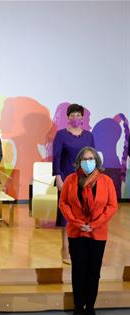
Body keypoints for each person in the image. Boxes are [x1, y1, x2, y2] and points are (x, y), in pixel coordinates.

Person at [59, 146, 117, 315]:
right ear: (79, 162)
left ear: (97, 162)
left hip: (97, 233)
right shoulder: (70, 180)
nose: (88, 162)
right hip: (76, 233)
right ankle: (78, 306)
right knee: (78, 270)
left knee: (93, 271)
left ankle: (90, 306)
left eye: (91, 159)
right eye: (84, 159)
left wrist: (94, 224)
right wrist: (77, 223)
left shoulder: (106, 181)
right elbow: (64, 204)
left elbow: (112, 206)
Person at [52, 103, 95, 264]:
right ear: (68, 117)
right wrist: (58, 177)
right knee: (66, 214)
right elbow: (56, 156)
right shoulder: (61, 134)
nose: (75, 118)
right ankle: (65, 248)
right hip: (66, 178)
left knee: (84, 213)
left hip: (85, 179)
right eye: (72, 115)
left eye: (78, 115)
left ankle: (80, 247)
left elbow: (93, 157)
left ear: (82, 118)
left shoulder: (88, 136)